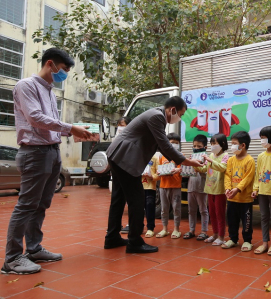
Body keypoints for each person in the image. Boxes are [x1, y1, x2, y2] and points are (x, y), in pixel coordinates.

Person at [2, 48, 92, 275]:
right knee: (26, 205)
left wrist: (72, 132)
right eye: (63, 70)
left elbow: (51, 123)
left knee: (41, 204)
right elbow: (35, 118)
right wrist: (70, 127)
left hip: (52, 152)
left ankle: (33, 248)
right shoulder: (26, 86)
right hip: (34, 153)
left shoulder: (50, 91)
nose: (63, 76)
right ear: (50, 64)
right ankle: (12, 259)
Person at [104, 96, 203, 254]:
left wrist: (182, 160)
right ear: (172, 110)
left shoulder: (155, 116)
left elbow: (161, 146)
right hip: (125, 158)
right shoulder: (157, 117)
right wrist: (188, 162)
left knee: (118, 199)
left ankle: (112, 237)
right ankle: (134, 241)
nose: (180, 118)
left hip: (118, 155)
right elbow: (165, 145)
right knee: (137, 200)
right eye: (181, 114)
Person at [251, 126, 271, 256]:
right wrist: (255, 189)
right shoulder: (261, 156)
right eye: (261, 138)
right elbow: (258, 174)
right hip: (262, 192)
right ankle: (265, 243)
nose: (262, 141)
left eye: (264, 138)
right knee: (264, 217)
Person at [222, 131, 255, 251]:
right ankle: (233, 239)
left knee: (246, 221)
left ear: (243, 145)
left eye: (234, 143)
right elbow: (227, 175)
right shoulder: (231, 160)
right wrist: (228, 188)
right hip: (232, 197)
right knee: (231, 219)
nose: (232, 146)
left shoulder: (250, 160)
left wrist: (237, 189)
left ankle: (247, 241)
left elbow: (248, 178)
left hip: (245, 199)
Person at [200, 134, 229, 246]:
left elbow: (222, 168)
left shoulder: (226, 156)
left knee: (220, 213)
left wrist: (210, 161)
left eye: (215, 143)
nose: (212, 146)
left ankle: (221, 236)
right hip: (210, 188)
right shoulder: (211, 155)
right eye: (211, 144)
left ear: (222, 144)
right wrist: (194, 164)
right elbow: (204, 168)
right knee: (212, 213)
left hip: (220, 190)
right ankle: (215, 234)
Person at [156, 133, 183, 239]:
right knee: (164, 209)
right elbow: (159, 169)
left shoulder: (180, 156)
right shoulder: (162, 156)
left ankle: (176, 229)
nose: (174, 145)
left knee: (177, 208)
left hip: (176, 185)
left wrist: (178, 169)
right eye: (172, 143)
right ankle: (165, 229)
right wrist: (159, 172)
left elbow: (185, 170)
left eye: (177, 143)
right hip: (163, 186)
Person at [184, 134, 209, 241]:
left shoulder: (207, 159)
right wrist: (187, 164)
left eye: (199, 146)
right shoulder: (191, 157)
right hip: (191, 188)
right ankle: (191, 230)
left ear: (205, 147)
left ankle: (204, 231)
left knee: (203, 210)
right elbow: (186, 173)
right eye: (194, 146)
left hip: (202, 188)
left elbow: (207, 173)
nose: (196, 148)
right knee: (191, 210)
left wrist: (199, 167)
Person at [142, 152, 160, 238]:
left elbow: (159, 174)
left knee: (149, 207)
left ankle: (150, 228)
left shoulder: (155, 158)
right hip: (139, 186)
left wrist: (152, 176)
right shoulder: (138, 157)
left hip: (150, 187)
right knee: (138, 208)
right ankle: (139, 227)